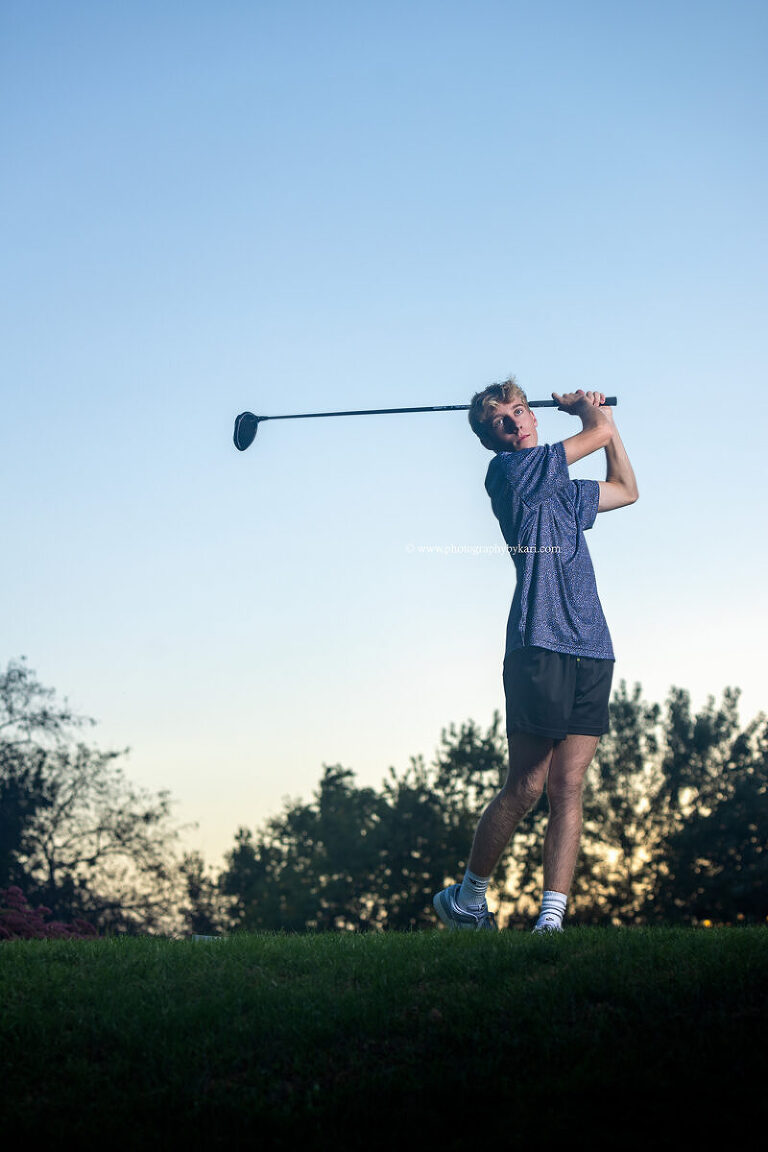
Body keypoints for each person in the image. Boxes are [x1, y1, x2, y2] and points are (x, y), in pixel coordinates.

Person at [433, 378, 638, 932]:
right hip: (537, 641)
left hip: (592, 643)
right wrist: (588, 414)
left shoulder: (563, 488)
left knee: (568, 785)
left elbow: (625, 488)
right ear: (493, 438)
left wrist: (603, 427)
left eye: (520, 411)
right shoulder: (511, 472)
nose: (516, 422)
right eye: (502, 420)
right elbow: (596, 434)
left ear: (532, 415)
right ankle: (468, 900)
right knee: (526, 784)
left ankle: (552, 920)